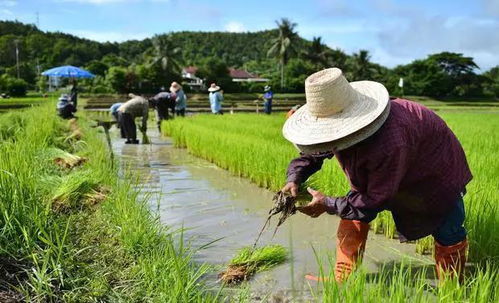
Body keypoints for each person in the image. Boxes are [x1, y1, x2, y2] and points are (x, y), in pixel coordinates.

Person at [281, 68, 471, 283]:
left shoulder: (390, 141)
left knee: (448, 227)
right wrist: (294, 177)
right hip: (394, 161)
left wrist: (328, 203)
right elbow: (315, 151)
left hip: (434, 173)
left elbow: (375, 198)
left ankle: (452, 287)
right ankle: (343, 276)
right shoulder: (339, 118)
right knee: (353, 210)